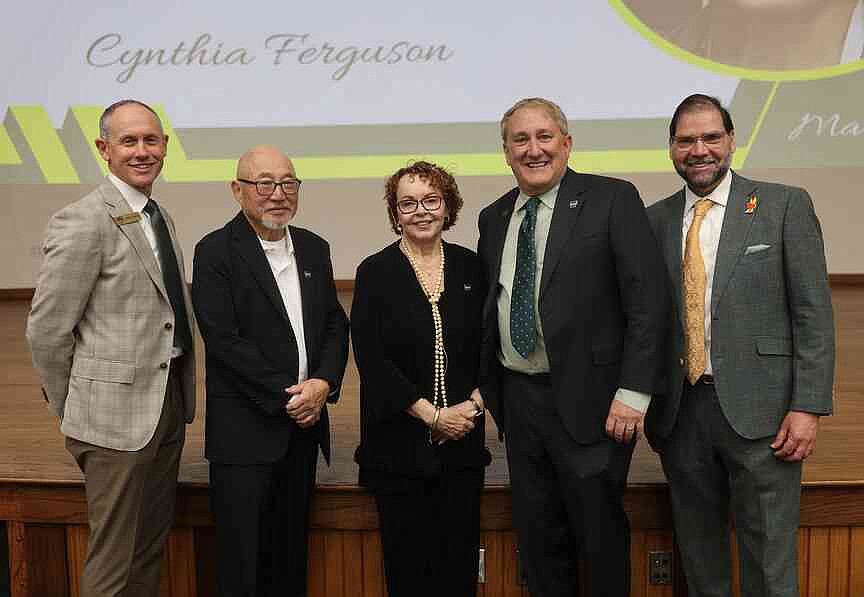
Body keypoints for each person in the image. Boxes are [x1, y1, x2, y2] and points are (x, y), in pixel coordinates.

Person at [476, 98, 669, 597]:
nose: (533, 149)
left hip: (597, 404)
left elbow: (647, 301)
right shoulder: (493, 217)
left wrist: (635, 392)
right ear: (506, 151)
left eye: (544, 137)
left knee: (598, 539)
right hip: (520, 402)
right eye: (521, 140)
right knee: (539, 541)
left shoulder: (611, 199)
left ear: (566, 143)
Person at [645, 94, 836, 597]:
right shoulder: (653, 220)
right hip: (681, 413)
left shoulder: (782, 204)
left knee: (770, 560)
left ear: (731, 141)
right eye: (686, 140)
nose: (699, 150)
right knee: (700, 560)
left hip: (765, 414)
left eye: (711, 137)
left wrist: (807, 406)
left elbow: (813, 315)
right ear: (671, 149)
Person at [26, 99, 196, 597]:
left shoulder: (156, 215)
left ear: (165, 145)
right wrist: (76, 406)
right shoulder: (82, 220)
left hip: (163, 407)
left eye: (151, 140)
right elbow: (47, 330)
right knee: (114, 562)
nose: (143, 151)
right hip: (111, 422)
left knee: (146, 549)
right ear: (104, 149)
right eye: (129, 141)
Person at [191, 145, 349, 597]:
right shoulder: (216, 251)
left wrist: (323, 383)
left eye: (287, 183)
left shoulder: (315, 248)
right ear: (238, 190)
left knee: (290, 562)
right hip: (246, 437)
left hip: (303, 432)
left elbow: (335, 323)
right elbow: (224, 340)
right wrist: (293, 398)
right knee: (243, 569)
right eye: (264, 183)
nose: (277, 194)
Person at [352, 161, 491, 597]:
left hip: (463, 449)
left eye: (431, 200)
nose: (421, 211)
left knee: (459, 573)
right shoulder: (374, 271)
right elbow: (372, 361)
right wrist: (432, 417)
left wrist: (472, 407)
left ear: (447, 205)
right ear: (395, 213)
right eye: (408, 203)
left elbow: (493, 345)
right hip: (397, 455)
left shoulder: (473, 267)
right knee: (407, 574)